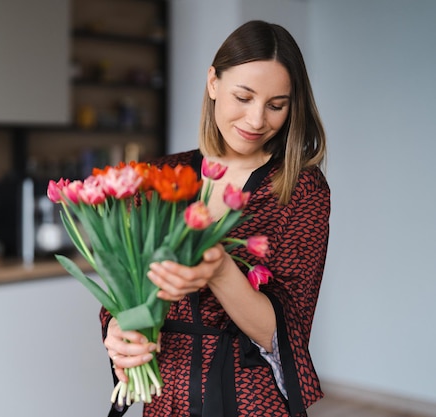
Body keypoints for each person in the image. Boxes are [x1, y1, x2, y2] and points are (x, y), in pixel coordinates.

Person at [101, 20, 330, 417]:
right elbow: (126, 288)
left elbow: (286, 333)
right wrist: (117, 330)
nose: (257, 120)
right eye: (243, 97)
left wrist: (221, 269)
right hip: (163, 398)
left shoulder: (300, 190)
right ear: (213, 83)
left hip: (251, 402)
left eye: (277, 105)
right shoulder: (156, 178)